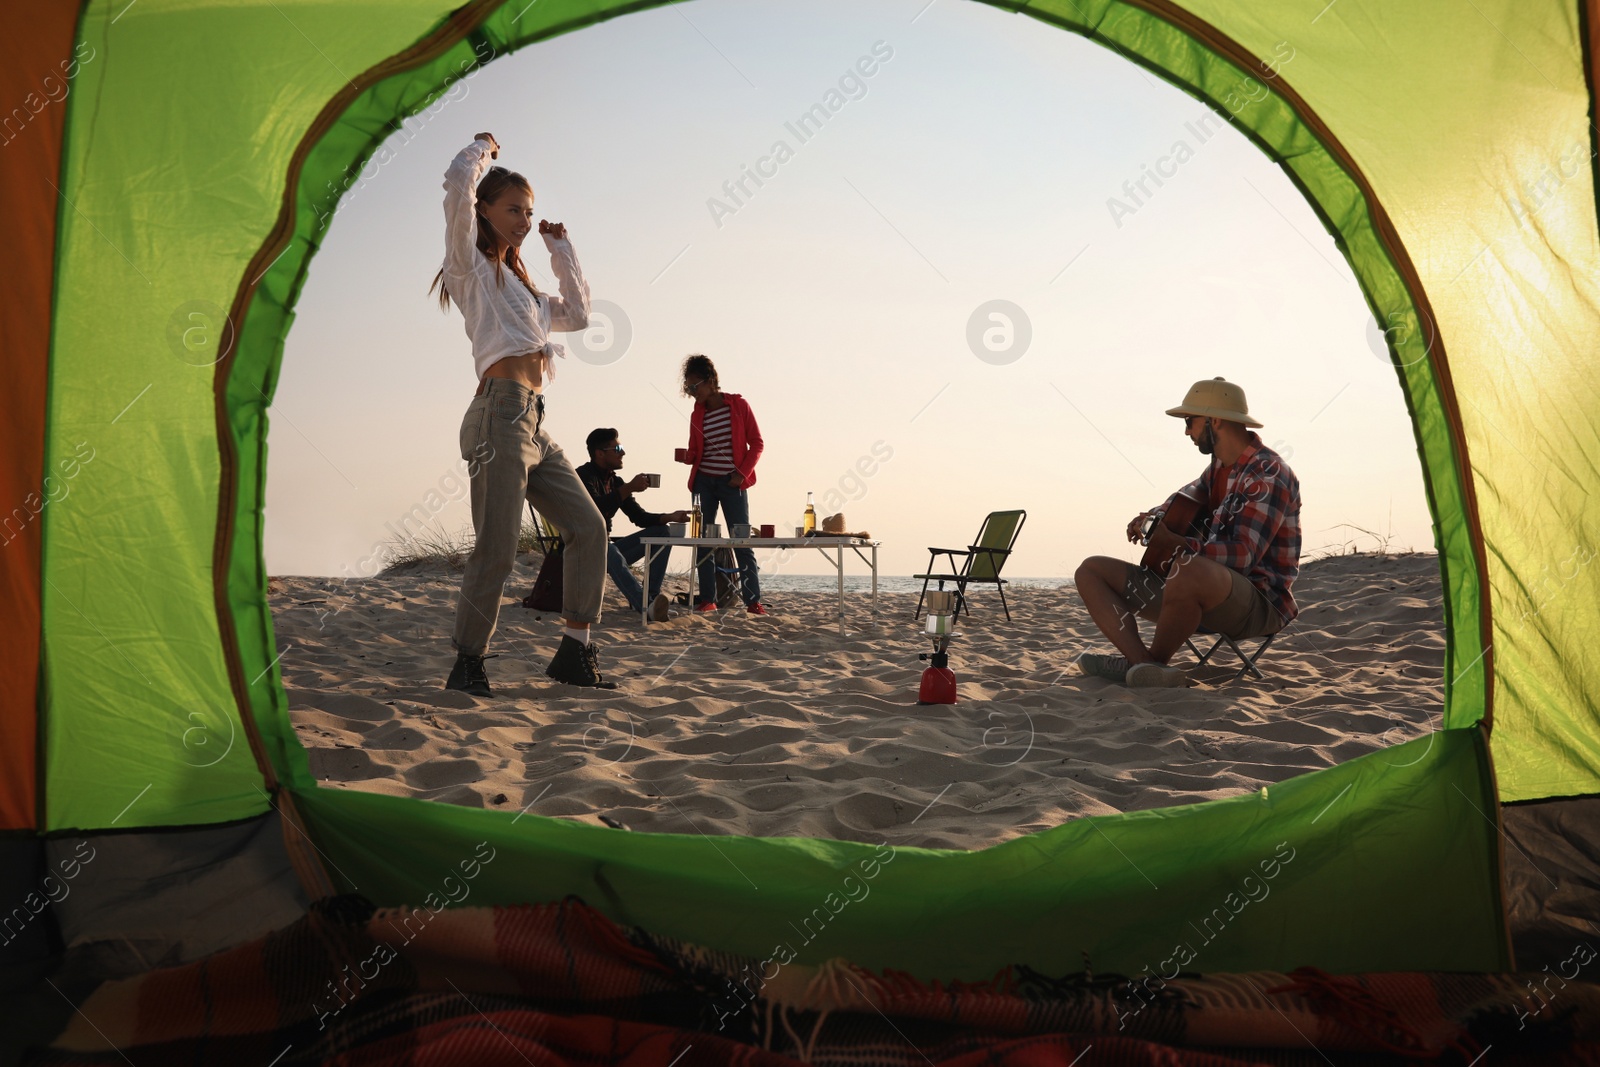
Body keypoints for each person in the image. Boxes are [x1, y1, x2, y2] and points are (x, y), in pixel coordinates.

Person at [431, 131, 615, 695]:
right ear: (485, 210)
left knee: (588, 527)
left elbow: (581, 316)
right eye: (513, 209)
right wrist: (482, 148)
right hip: (499, 415)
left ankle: (574, 652)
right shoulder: (470, 269)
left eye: (529, 212)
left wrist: (562, 249)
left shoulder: (526, 291)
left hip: (535, 420)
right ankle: (469, 662)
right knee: (499, 543)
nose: (523, 219)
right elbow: (457, 189)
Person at [1073, 377, 1301, 688]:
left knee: (1187, 567)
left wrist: (1178, 544)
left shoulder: (1270, 473)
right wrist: (1151, 519)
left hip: (1258, 603)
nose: (1186, 431)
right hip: (1193, 591)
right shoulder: (1218, 469)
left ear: (1214, 420)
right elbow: (1182, 499)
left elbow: (1243, 555)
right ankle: (1143, 665)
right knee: (1091, 570)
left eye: (1190, 421)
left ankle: (1149, 665)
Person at [676, 354, 767, 614]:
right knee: (703, 539)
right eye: (688, 388)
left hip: (732, 483)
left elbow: (757, 444)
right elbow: (696, 451)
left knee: (741, 540)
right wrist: (687, 457)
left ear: (711, 381)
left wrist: (742, 473)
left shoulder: (737, 405)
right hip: (703, 482)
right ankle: (708, 599)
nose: (692, 393)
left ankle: (753, 601)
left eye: (695, 386)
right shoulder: (697, 413)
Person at [578, 428, 691, 621]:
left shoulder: (615, 481)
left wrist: (671, 516)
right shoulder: (582, 476)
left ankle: (652, 599)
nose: (623, 453)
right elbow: (594, 508)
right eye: (618, 448)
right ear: (600, 453)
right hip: (581, 551)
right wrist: (629, 487)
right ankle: (645, 606)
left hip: (603, 550)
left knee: (663, 532)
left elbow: (639, 517)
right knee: (608, 550)